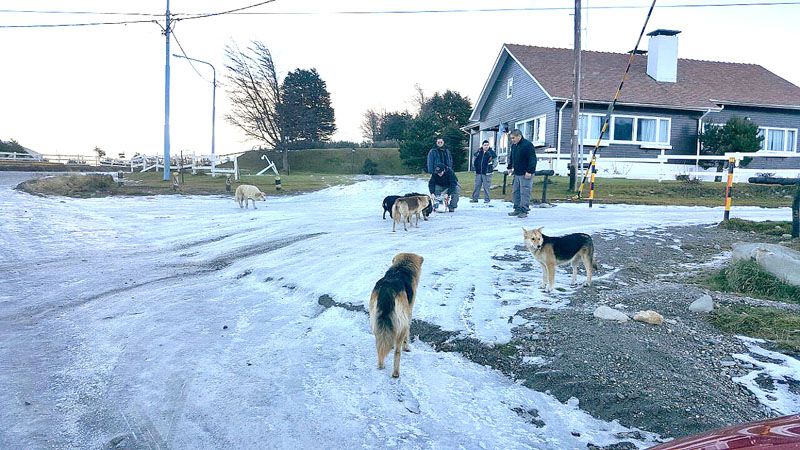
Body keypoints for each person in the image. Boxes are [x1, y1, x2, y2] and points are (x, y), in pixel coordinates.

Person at [506, 129, 537, 218]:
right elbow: (512, 157)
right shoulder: (514, 146)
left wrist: (529, 171)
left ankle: (524, 210)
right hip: (517, 173)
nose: (512, 140)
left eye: (513, 138)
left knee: (525, 192)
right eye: (511, 138)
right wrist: (509, 167)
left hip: (525, 173)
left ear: (519, 136)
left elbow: (532, 159)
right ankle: (517, 208)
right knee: (516, 192)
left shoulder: (528, 145)